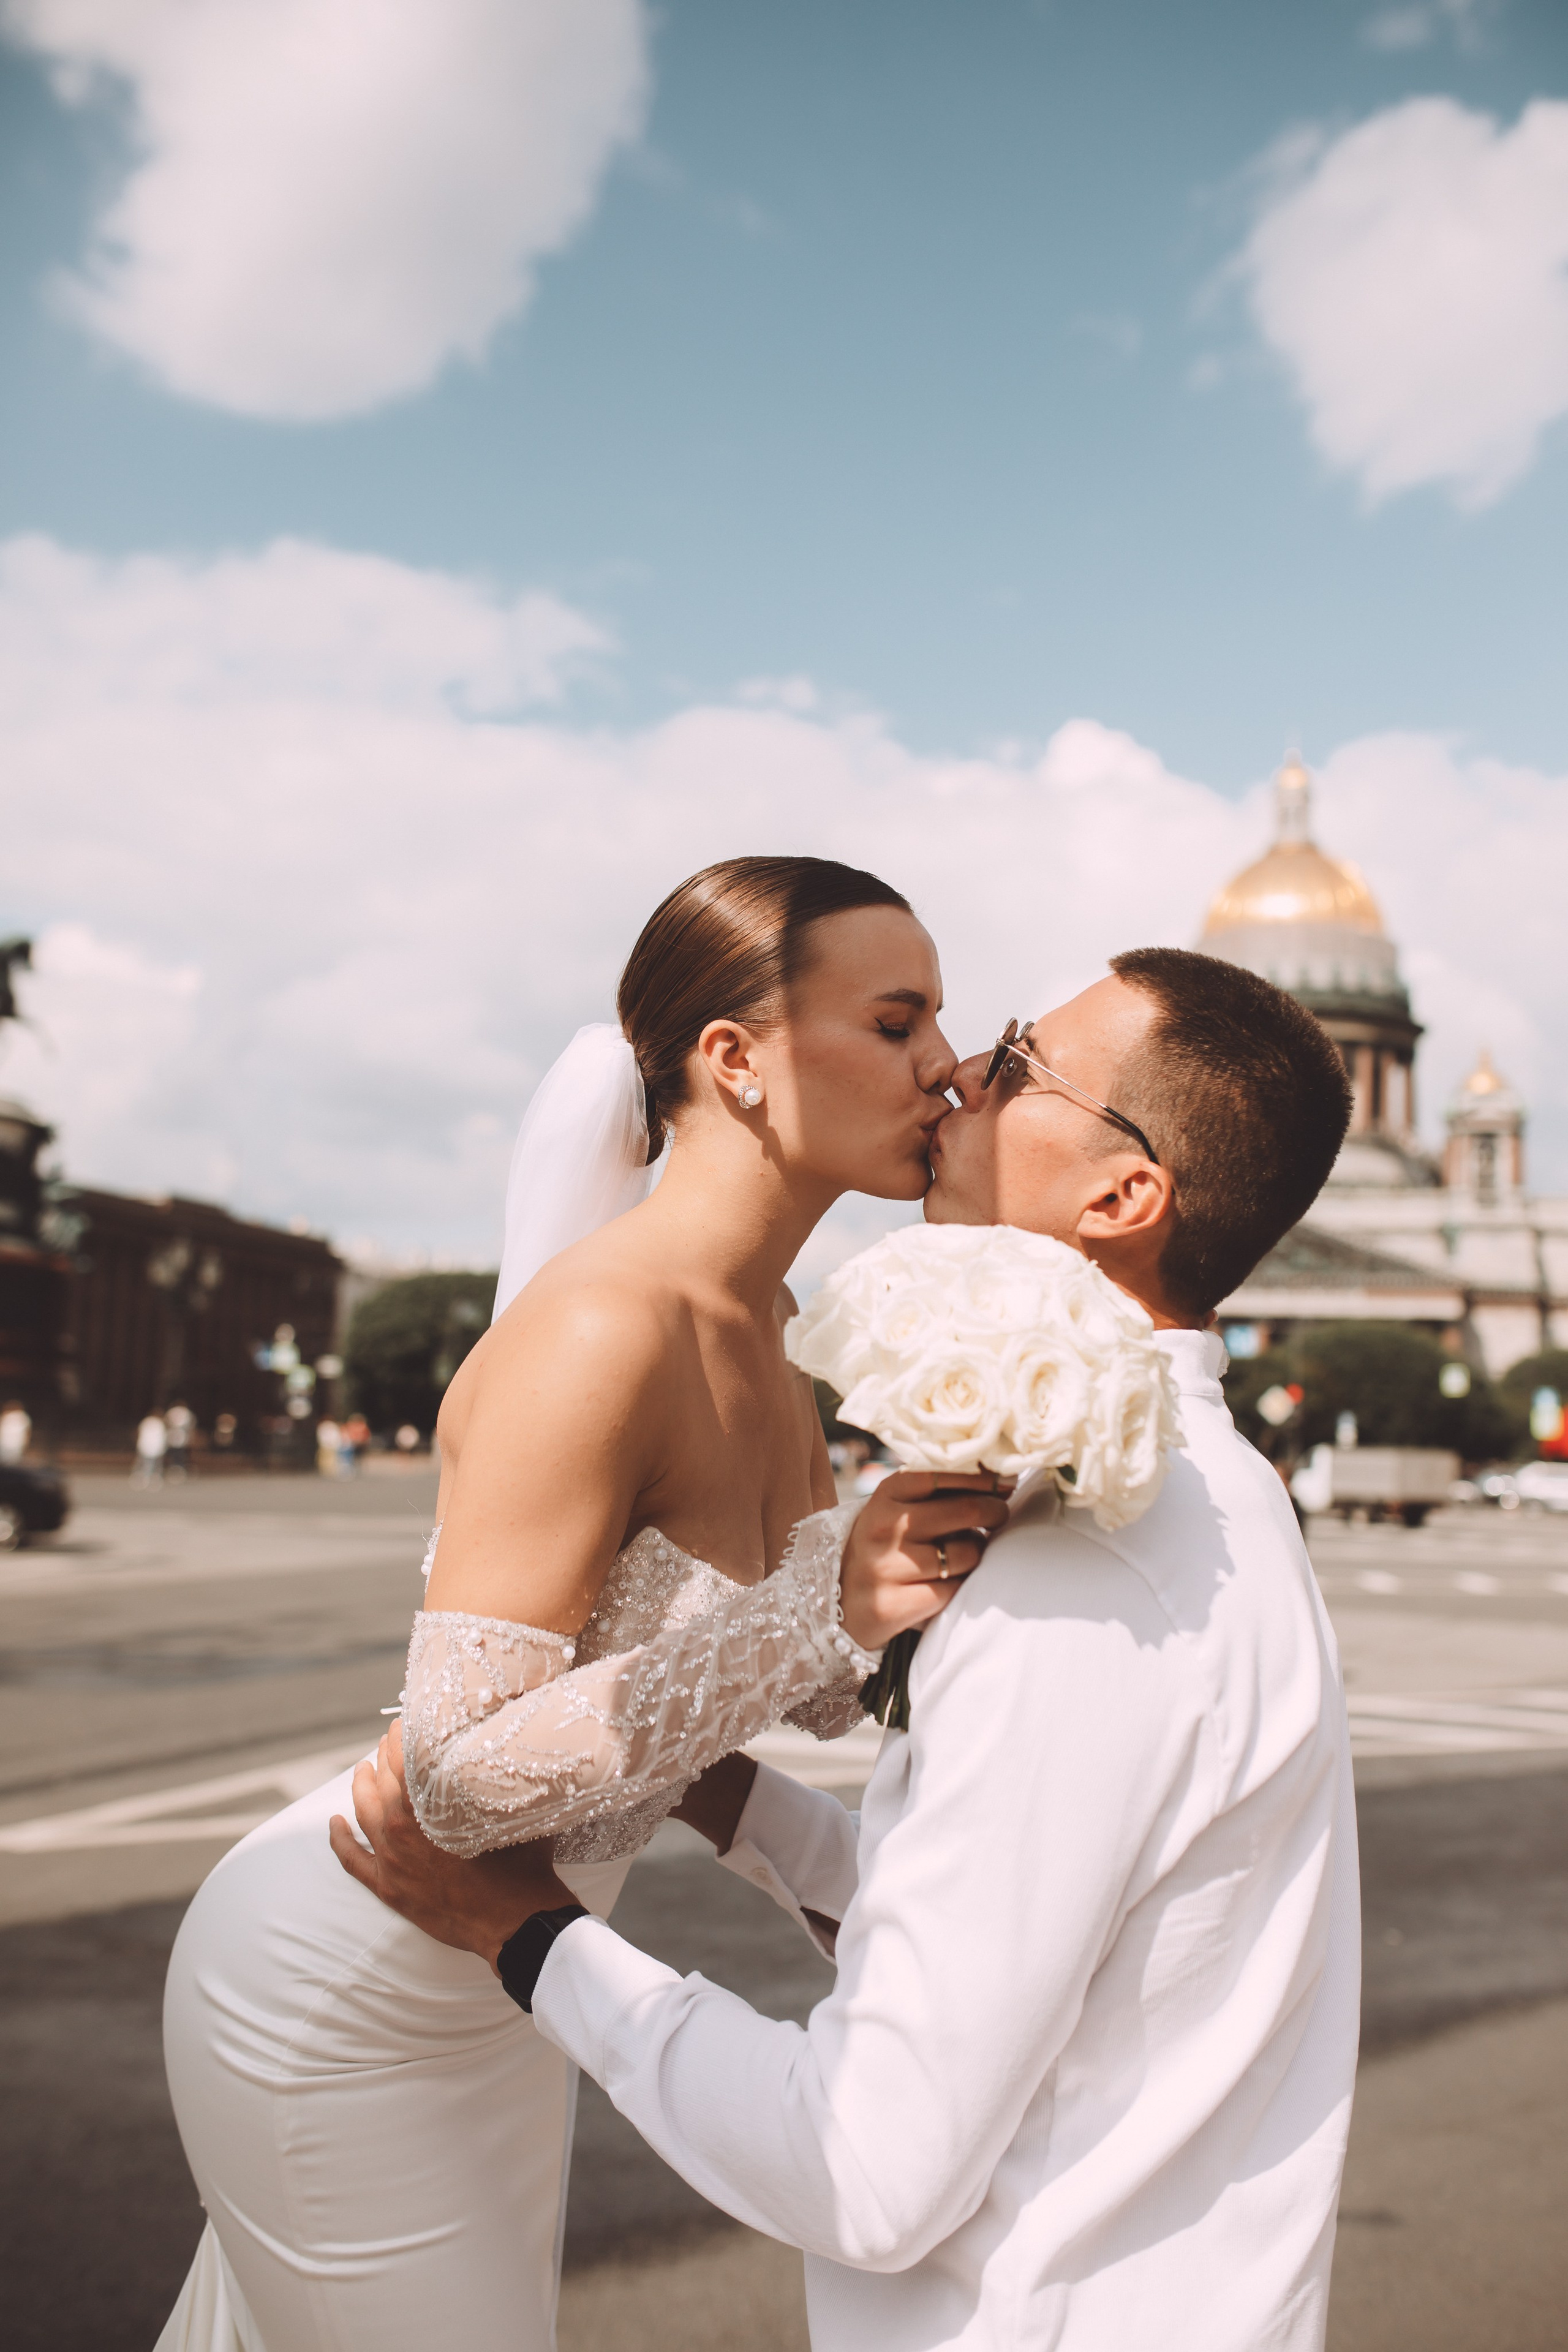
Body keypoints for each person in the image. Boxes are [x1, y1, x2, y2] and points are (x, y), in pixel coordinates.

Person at [347, 947, 1362, 2352]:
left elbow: (866, 2167)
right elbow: (1028, 1917)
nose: (957, 1072)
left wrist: (524, 1936)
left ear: (1120, 1196)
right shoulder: (1216, 1500)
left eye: (1013, 1060)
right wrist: (720, 1782)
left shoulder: (1080, 1565)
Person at [154, 857, 1005, 2352]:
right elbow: (456, 1769)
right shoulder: (604, 1321)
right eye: (894, 1019)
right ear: (732, 1059)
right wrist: (831, 1601)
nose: (942, 1063)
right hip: (349, 1981)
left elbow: (795, 1688)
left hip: (509, 1984)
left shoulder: (772, 1328)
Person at [132, 1411, 167, 1486]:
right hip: (156, 1446)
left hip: (144, 1445)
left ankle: (139, 1476)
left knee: (142, 1462)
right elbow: (163, 1436)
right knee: (155, 1464)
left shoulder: (146, 1421)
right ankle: (153, 1478)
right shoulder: (160, 1423)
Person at [0, 1400, 29, 1464]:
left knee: (13, 1462)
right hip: (5, 1444)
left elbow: (26, 1432)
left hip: (16, 1445)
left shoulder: (23, 1417)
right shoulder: (6, 1416)